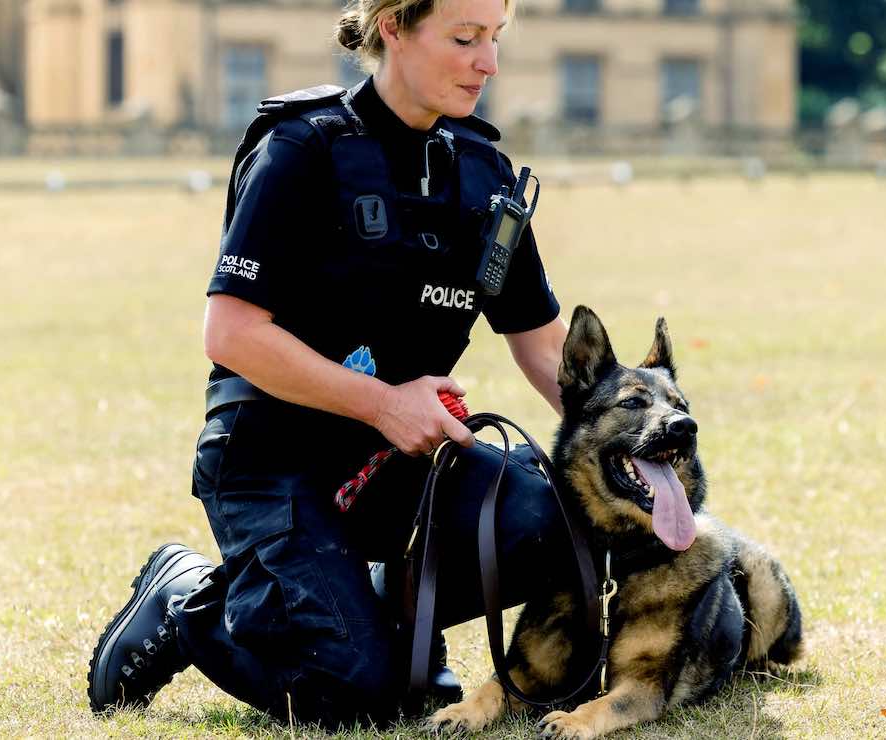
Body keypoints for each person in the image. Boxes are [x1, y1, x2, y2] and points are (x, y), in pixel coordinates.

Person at [87, 0, 575, 727]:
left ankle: (386, 621)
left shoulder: (482, 174)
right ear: (394, 28)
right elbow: (231, 333)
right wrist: (383, 403)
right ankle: (187, 594)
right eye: (465, 38)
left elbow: (541, 343)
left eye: (495, 39)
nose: (488, 63)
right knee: (355, 693)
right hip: (272, 458)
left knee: (553, 516)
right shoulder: (303, 151)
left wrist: (639, 446)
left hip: (405, 461)